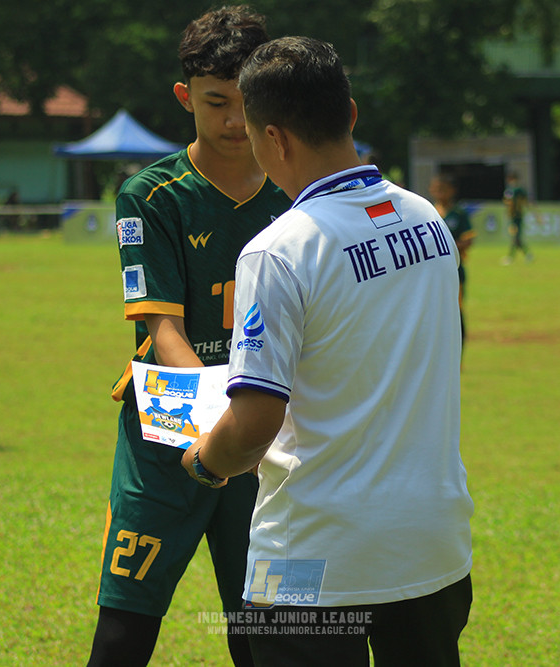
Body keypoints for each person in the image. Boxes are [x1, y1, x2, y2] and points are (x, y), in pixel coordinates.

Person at [181, 36, 473, 667]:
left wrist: (206, 460)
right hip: (433, 545)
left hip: (307, 561)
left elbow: (253, 426)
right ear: (352, 114)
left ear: (275, 139)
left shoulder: (278, 248)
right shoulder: (427, 219)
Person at [86, 7, 289, 667]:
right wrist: (226, 418)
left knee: (263, 633)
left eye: (247, 101)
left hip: (269, 437)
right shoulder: (151, 195)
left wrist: (251, 428)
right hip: (168, 434)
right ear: (185, 97)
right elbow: (163, 326)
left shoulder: (299, 195)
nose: (235, 120)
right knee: (124, 630)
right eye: (215, 102)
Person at [430, 172, 476, 348]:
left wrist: (443, 246)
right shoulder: (428, 211)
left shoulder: (459, 213)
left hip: (454, 272)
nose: (439, 193)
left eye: (443, 189)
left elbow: (468, 240)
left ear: (451, 191)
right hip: (432, 273)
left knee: (455, 313)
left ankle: (459, 356)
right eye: (435, 189)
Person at [502, 170, 533, 264]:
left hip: (517, 217)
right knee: (516, 238)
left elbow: (510, 203)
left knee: (516, 238)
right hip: (516, 217)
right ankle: (525, 255)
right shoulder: (517, 190)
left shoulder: (514, 190)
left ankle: (513, 257)